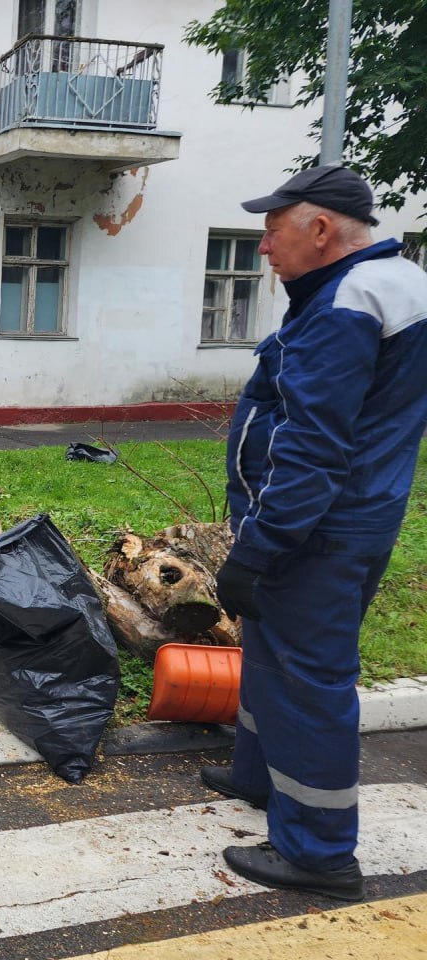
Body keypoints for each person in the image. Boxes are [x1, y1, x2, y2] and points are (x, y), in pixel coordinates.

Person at [207, 165, 427, 901]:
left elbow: (313, 445)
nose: (265, 246)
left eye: (274, 229)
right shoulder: (398, 282)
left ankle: (319, 852)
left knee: (306, 680)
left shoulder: (345, 302)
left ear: (321, 229)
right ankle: (261, 778)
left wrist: (261, 546)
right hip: (356, 518)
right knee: (274, 654)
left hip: (315, 531)